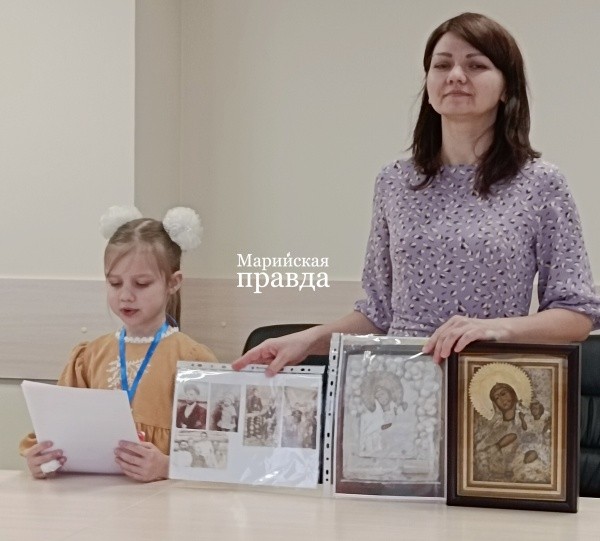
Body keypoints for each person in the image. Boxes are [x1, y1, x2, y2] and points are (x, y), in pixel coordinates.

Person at [233, 12, 600, 374]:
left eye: (476, 65)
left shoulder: (541, 183)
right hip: (398, 385)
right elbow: (378, 314)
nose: (455, 75)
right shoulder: (394, 182)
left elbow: (576, 315)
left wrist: (495, 329)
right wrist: (306, 340)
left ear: (507, 88)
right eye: (442, 65)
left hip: (490, 382)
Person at [20, 206, 216, 482]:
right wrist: (43, 459)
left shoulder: (192, 360)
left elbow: (216, 456)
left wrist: (167, 467)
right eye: (114, 283)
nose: (125, 295)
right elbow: (58, 431)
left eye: (141, 284)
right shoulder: (89, 357)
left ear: (173, 283)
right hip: (95, 495)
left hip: (165, 499)